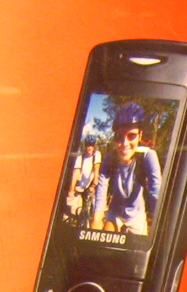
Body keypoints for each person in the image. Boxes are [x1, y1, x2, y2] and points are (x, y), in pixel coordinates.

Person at [92, 101, 162, 235]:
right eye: (119, 137)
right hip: (115, 213)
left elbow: (155, 190)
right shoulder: (109, 158)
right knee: (107, 236)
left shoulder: (147, 156)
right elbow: (101, 189)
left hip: (136, 216)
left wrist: (158, 223)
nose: (125, 143)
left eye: (131, 136)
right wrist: (96, 222)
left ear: (140, 135)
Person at [66, 138, 100, 223]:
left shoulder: (96, 155)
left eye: (91, 145)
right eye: (88, 145)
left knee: (91, 212)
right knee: (73, 211)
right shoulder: (80, 158)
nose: (89, 147)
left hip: (89, 187)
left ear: (94, 146)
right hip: (79, 187)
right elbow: (76, 173)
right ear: (85, 146)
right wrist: (71, 190)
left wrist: (94, 184)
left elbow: (96, 169)